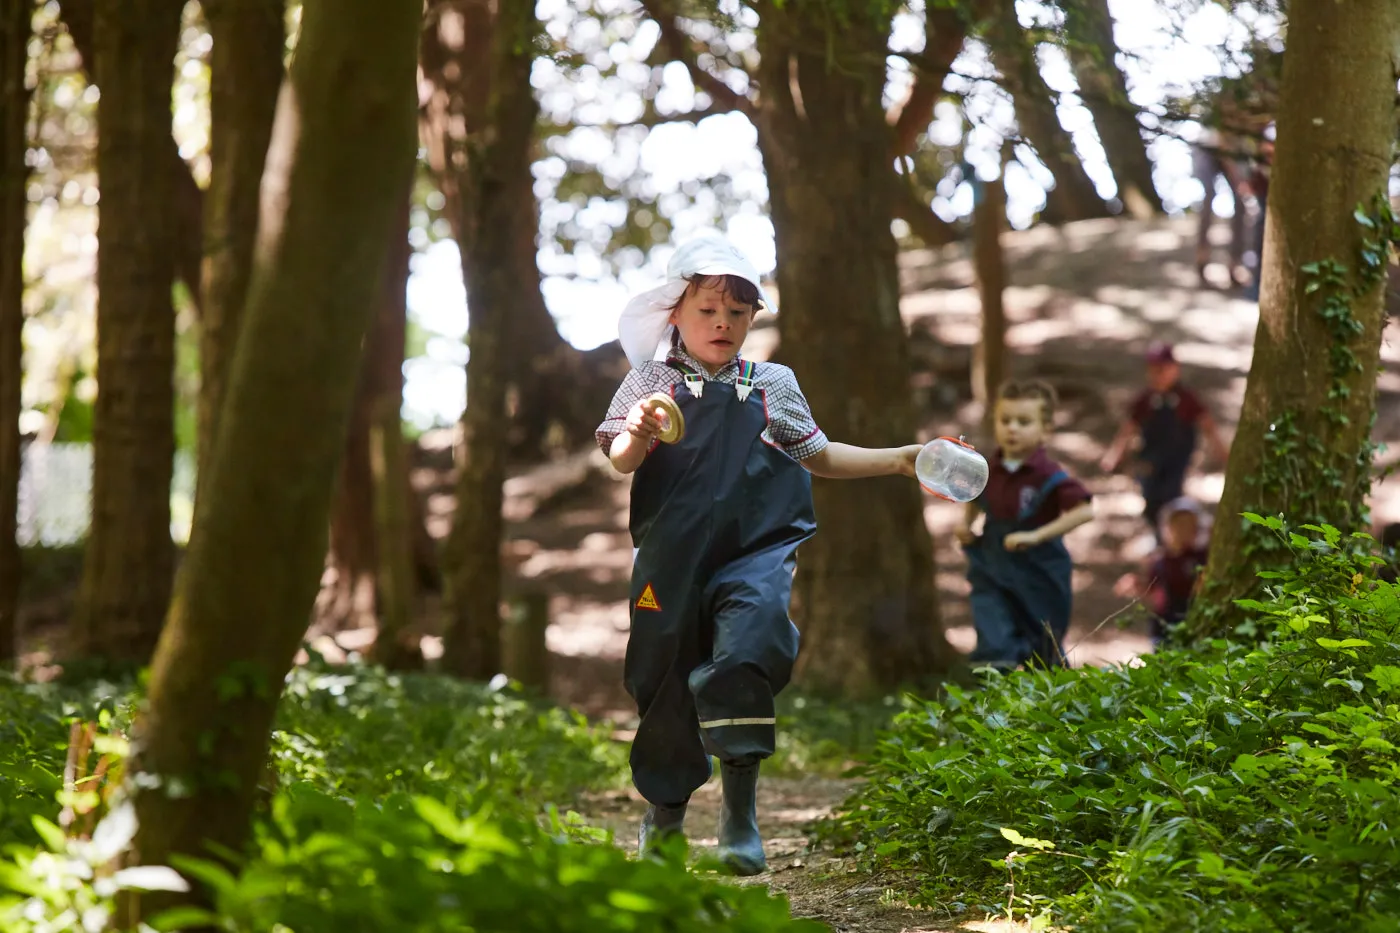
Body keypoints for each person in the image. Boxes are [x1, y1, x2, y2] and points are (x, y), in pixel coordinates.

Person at [596, 234, 923, 876]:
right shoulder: (650, 382)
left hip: (755, 553)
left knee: (751, 648)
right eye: (707, 312)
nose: (722, 324)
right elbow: (619, 459)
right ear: (675, 316)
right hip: (669, 560)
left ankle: (739, 812)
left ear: (751, 319)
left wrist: (899, 460)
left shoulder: (773, 382)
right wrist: (638, 427)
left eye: (737, 314)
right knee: (662, 681)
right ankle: (665, 812)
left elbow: (817, 453)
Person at [955, 380, 1094, 669]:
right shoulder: (986, 469)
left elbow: (1084, 511)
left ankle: (1048, 698)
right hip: (993, 564)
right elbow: (974, 498)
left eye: (1024, 422)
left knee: (1043, 642)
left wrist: (1036, 535)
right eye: (1005, 420)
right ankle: (995, 683)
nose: (1012, 428)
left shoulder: (1048, 475)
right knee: (994, 633)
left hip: (1039, 570)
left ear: (1045, 430)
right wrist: (966, 525)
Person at [1100, 342, 1229, 539]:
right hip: (1150, 458)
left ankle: (1171, 540)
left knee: (1171, 497)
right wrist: (1115, 454)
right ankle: (1157, 538)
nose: (1158, 375)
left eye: (1162, 370)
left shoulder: (1186, 399)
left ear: (1175, 369)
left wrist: (1222, 453)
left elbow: (1207, 425)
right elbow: (1129, 428)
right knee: (1150, 496)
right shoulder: (1145, 400)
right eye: (1153, 370)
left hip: (1177, 460)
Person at [1114, 497, 1211, 646]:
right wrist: (1137, 587)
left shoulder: (1202, 557)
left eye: (1188, 525)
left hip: (1195, 624)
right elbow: (1155, 596)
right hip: (1166, 628)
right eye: (1178, 525)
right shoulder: (1159, 562)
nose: (1183, 531)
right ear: (1167, 529)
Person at [1191, 124, 1248, 288]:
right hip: (1208, 144)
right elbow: (1223, 136)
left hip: (1228, 144)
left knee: (1240, 202)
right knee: (1208, 199)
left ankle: (1234, 264)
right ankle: (1202, 259)